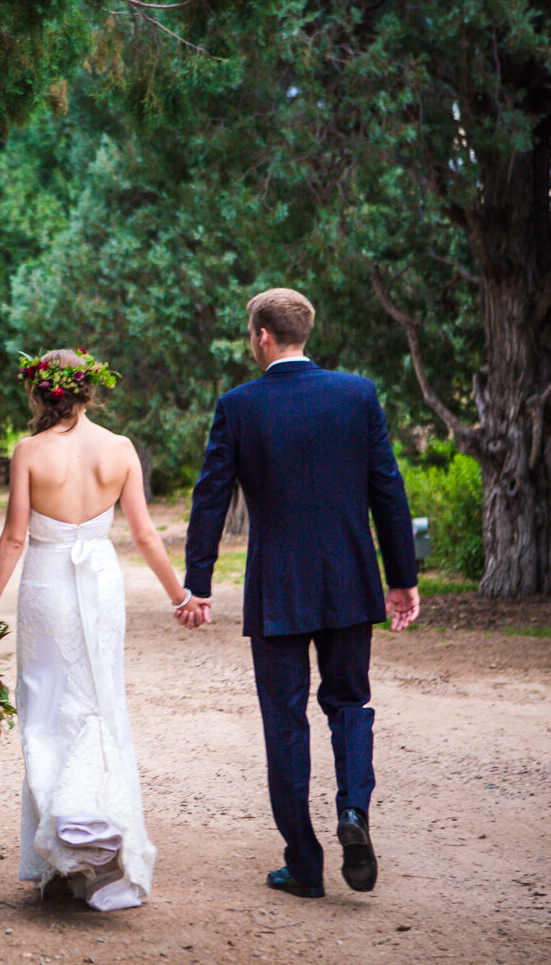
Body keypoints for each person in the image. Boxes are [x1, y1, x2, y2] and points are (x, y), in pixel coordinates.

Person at [176, 287, 419, 899]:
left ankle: (304, 866)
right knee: (349, 703)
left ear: (261, 336)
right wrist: (402, 578)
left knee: (285, 719)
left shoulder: (239, 406)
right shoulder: (357, 394)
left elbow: (211, 498)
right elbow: (387, 489)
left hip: (278, 588)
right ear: (303, 331)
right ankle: (354, 814)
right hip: (348, 580)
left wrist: (198, 583)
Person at [0, 348, 191, 911]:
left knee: (45, 711)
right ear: (89, 392)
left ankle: (60, 857)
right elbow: (143, 535)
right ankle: (98, 847)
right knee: (99, 701)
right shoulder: (119, 449)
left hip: (47, 588)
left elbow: (15, 539)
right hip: (100, 587)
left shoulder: (29, 452)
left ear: (40, 392)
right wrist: (180, 595)